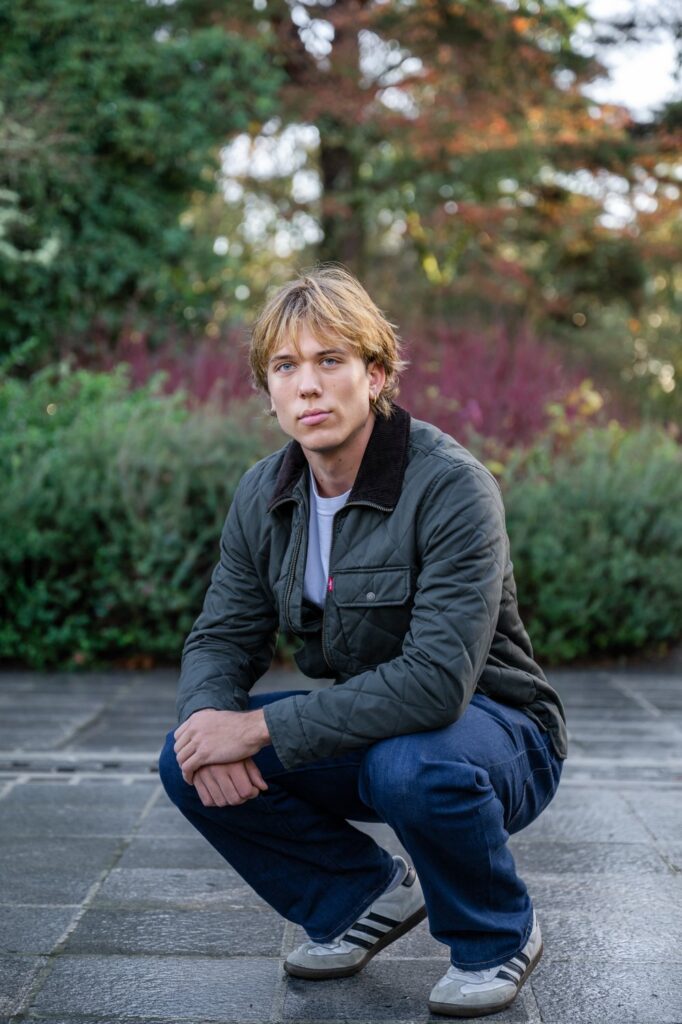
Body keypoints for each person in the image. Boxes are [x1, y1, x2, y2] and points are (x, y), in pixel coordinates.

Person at [159, 264, 567, 1018]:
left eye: (330, 360)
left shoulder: (450, 486)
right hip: (377, 731)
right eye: (286, 366)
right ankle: (356, 899)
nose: (308, 386)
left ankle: (494, 935)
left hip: (499, 732)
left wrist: (259, 728)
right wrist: (207, 721)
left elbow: (437, 683)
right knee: (188, 758)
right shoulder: (263, 494)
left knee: (408, 766)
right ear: (269, 390)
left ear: (375, 375)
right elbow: (221, 637)